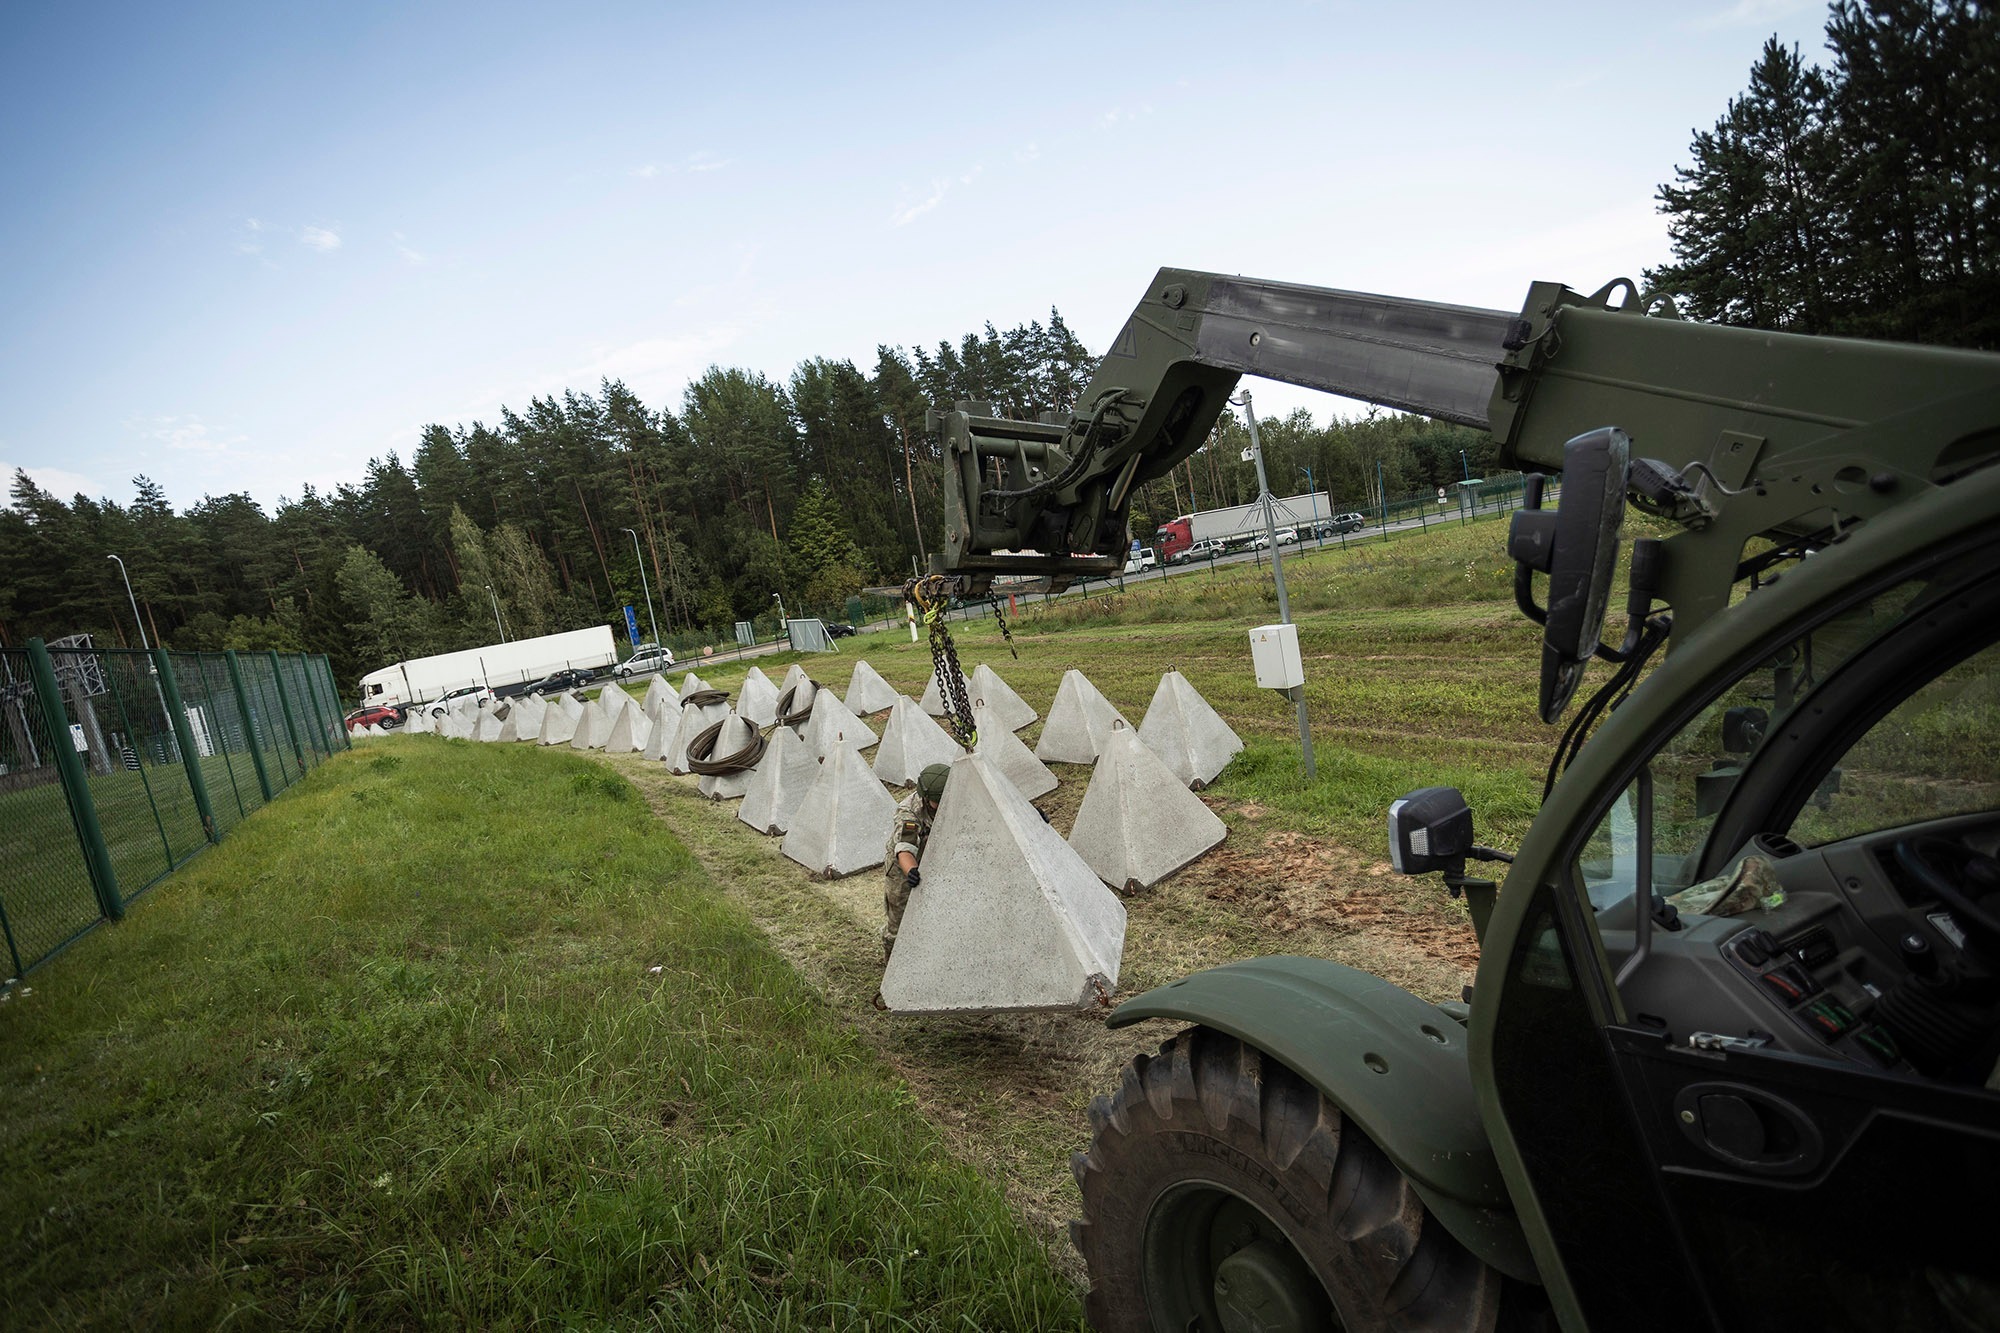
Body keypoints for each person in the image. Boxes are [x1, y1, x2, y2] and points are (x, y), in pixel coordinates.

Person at [882, 762, 949, 962]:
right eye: (938, 801)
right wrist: (911, 871)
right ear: (926, 798)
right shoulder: (909, 812)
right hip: (903, 869)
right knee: (900, 922)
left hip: (936, 859)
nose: (943, 804)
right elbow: (905, 848)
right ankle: (893, 963)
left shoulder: (952, 796)